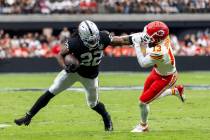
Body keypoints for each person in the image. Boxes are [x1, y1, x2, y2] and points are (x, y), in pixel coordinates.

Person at [14, 20, 131, 131]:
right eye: (90, 40)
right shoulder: (74, 42)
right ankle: (28, 116)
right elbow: (60, 55)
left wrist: (137, 38)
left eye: (95, 38)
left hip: (90, 76)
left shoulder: (103, 37)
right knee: (51, 91)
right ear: (82, 37)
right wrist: (65, 67)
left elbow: (121, 41)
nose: (94, 42)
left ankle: (106, 117)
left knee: (93, 104)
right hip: (74, 72)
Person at [130, 21, 185, 132]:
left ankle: (143, 126)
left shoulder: (161, 51)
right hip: (157, 71)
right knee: (146, 98)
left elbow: (143, 63)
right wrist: (143, 39)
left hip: (167, 78)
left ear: (158, 38)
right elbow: (150, 40)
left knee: (143, 102)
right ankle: (176, 91)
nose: (148, 37)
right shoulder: (163, 38)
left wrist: (137, 44)